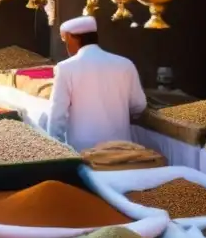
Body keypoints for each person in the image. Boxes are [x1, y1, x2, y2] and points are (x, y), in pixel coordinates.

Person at [47, 16, 147, 151]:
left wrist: (55, 148)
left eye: (65, 41)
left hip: (84, 150)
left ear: (72, 38)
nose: (66, 46)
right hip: (121, 148)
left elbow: (57, 114)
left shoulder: (66, 68)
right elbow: (139, 105)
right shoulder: (125, 64)